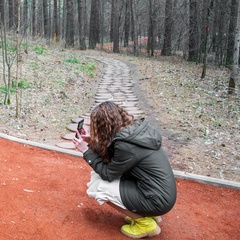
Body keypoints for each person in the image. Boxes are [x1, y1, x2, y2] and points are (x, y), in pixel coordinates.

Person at [72, 101, 176, 238]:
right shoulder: (133, 133)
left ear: (104, 126)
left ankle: (145, 224)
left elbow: (108, 174)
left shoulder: (125, 146)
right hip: (159, 192)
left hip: (156, 199)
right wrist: (91, 142)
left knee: (98, 186)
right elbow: (116, 160)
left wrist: (86, 151)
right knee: (100, 176)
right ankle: (146, 213)